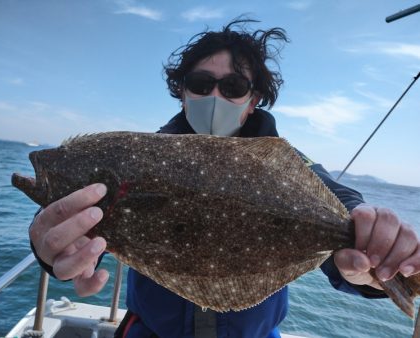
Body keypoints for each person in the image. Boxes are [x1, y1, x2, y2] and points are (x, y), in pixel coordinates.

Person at [29, 19, 420, 338]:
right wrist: (49, 248)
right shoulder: (141, 160)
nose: (215, 95)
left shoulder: (285, 164)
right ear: (182, 94)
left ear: (252, 103)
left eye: (233, 87)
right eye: (201, 84)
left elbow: (338, 200)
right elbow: (82, 232)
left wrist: (371, 251)